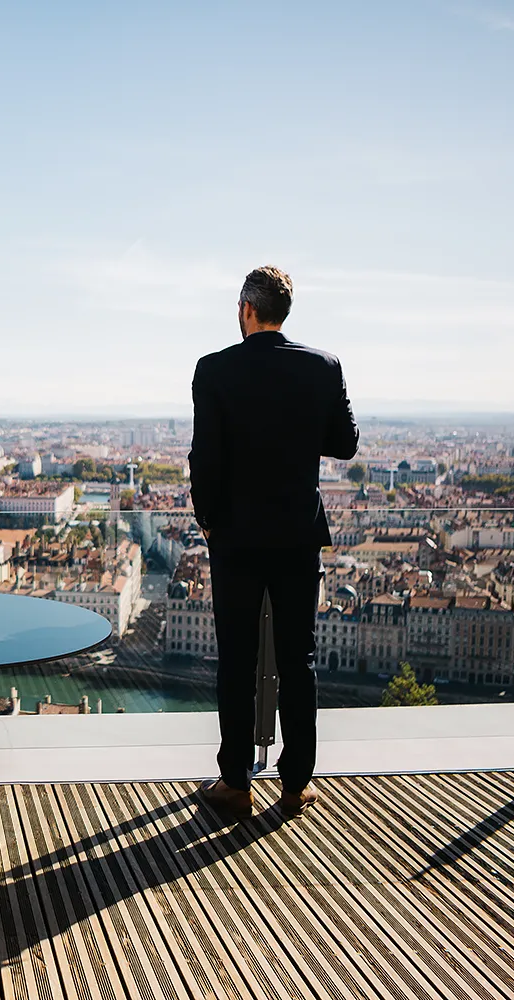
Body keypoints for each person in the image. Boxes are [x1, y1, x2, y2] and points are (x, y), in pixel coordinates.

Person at [188, 265, 359, 819]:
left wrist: (208, 521)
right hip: (296, 533)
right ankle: (295, 783)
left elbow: (204, 458)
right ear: (284, 312)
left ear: (245, 310)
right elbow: (346, 443)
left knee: (235, 659)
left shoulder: (214, 370)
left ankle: (235, 780)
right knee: (298, 658)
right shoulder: (323, 367)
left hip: (235, 535)